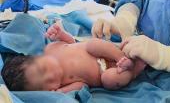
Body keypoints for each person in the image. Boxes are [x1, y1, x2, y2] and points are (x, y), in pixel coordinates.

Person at [1, 21, 145, 93]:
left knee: (92, 45)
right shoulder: (63, 85)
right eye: (43, 85)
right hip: (107, 71)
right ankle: (133, 70)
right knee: (109, 80)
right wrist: (59, 92)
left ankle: (121, 56)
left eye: (43, 70)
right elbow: (82, 85)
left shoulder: (51, 49)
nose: (50, 76)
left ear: (38, 57)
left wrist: (60, 33)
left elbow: (70, 42)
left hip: (105, 52)